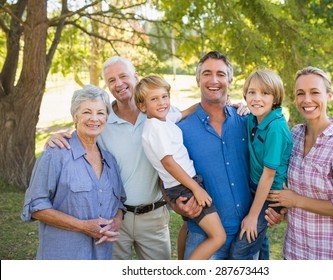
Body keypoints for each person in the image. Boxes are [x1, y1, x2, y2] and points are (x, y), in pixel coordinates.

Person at [46, 56, 173, 260]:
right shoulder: (102, 120)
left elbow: (188, 114)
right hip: (113, 218)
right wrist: (56, 137)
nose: (119, 84)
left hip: (153, 217)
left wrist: (239, 106)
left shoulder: (158, 111)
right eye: (111, 80)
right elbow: (81, 132)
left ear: (136, 77)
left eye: (123, 76)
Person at [268, 66, 333, 259]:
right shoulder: (294, 135)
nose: (307, 100)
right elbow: (292, 188)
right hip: (295, 251)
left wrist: (295, 200)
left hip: (332, 255)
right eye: (300, 93)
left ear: (329, 95)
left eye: (315, 92)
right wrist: (282, 209)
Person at [21, 85, 127, 260]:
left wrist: (116, 221)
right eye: (87, 112)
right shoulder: (55, 155)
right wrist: (83, 226)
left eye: (100, 113)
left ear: (106, 117)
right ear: (75, 116)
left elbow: (120, 204)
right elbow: (35, 207)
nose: (94, 119)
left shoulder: (110, 162)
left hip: (102, 256)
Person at [168, 51, 253, 259]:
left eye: (221, 74)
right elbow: (165, 176)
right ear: (198, 80)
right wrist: (176, 205)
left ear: (230, 80)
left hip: (247, 235)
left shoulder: (248, 121)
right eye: (207, 73)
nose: (214, 80)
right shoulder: (180, 129)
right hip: (203, 237)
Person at [134, 75, 226, 259]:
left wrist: (207, 104)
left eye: (164, 96)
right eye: (154, 99)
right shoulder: (155, 128)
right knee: (218, 236)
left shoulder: (164, 119)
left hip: (184, 184)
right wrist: (196, 189)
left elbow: (184, 112)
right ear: (143, 106)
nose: (162, 102)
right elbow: (168, 163)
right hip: (184, 186)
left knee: (189, 226)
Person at [229, 69, 292, 260]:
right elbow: (239, 110)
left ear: (275, 98)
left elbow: (269, 175)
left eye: (265, 93)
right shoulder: (253, 119)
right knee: (260, 242)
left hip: (270, 195)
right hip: (255, 189)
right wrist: (236, 106)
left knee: (242, 248)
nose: (257, 98)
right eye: (252, 92)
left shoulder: (275, 128)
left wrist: (252, 216)